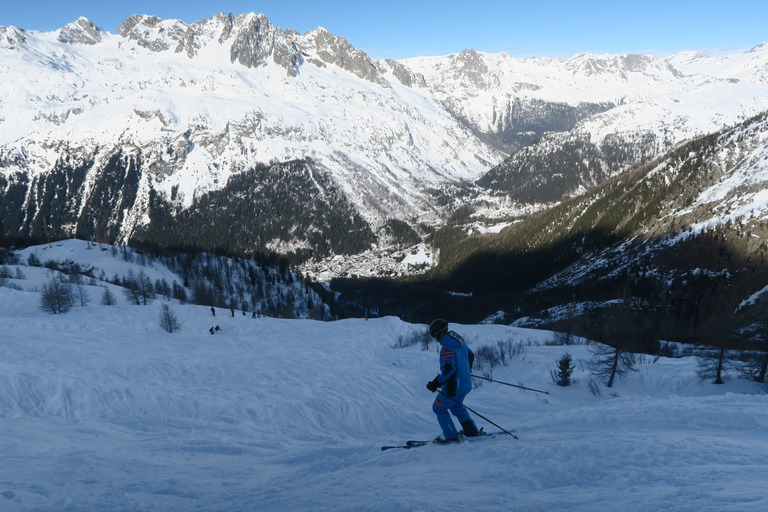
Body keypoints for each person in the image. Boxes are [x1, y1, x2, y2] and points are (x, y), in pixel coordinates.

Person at [426, 319, 480, 443]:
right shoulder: (460, 342)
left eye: (434, 335)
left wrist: (435, 383)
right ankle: (471, 431)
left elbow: (449, 369)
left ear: (439, 333)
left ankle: (450, 435)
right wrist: (465, 371)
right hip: (465, 384)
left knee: (438, 408)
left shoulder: (446, 349)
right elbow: (470, 355)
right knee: (456, 406)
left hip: (454, 388)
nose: (435, 339)